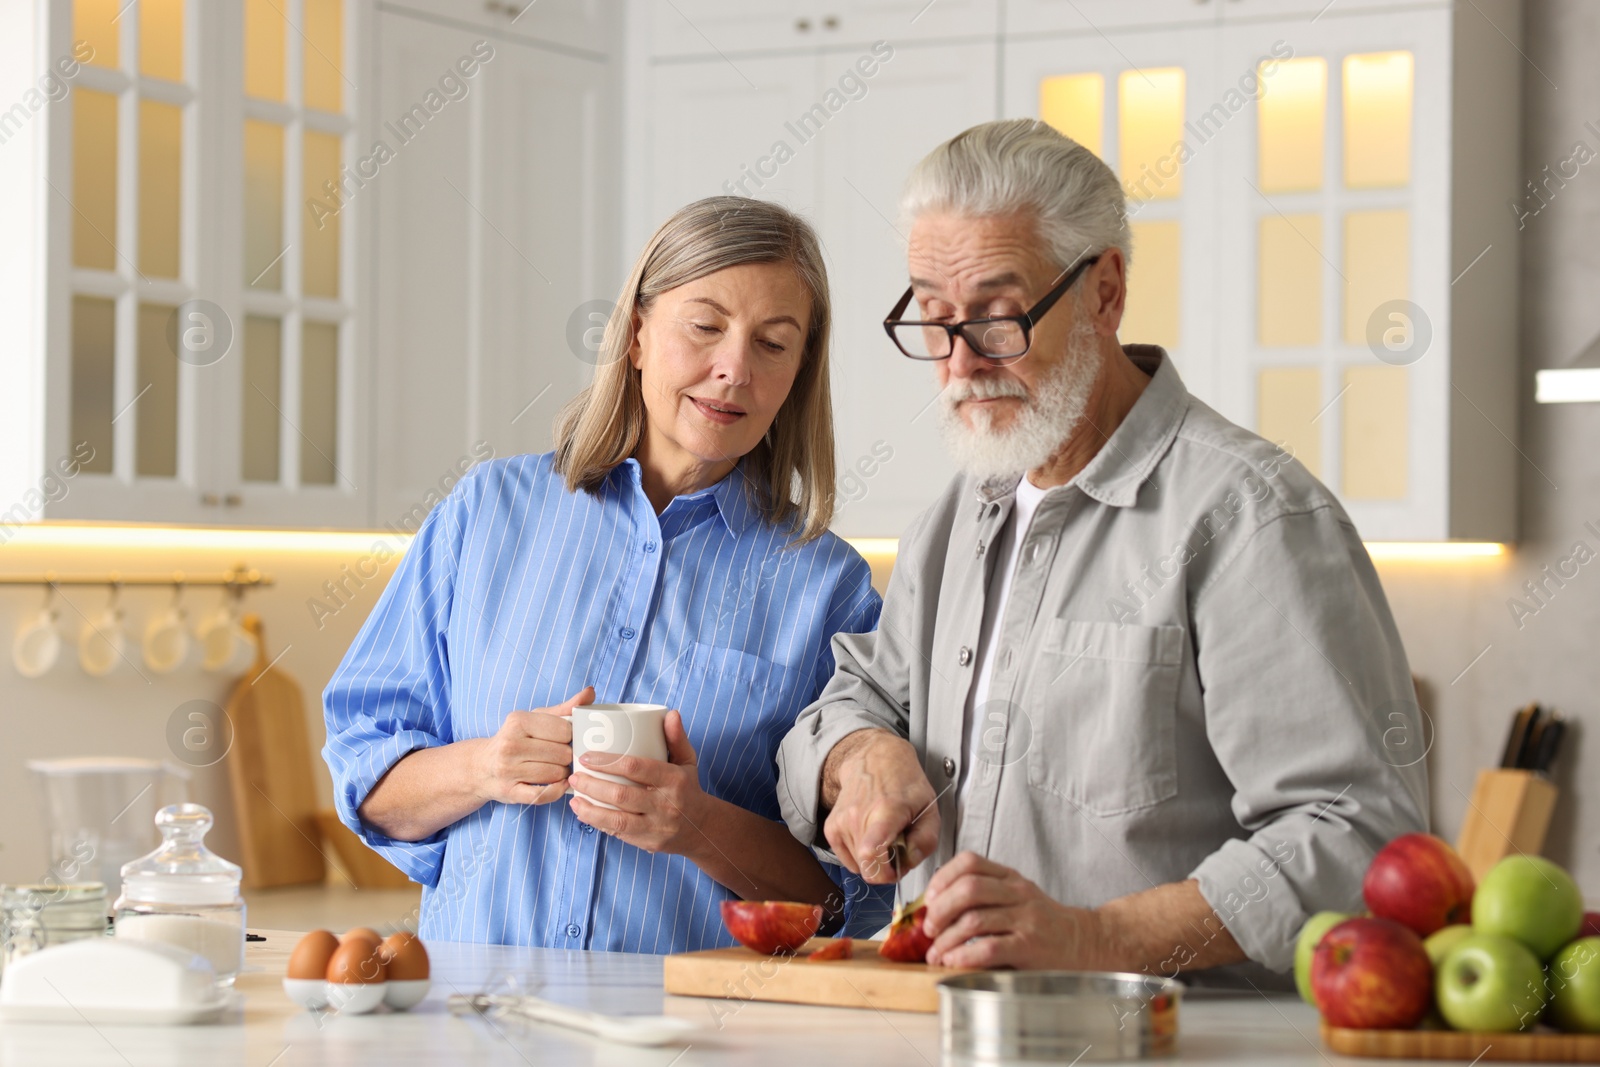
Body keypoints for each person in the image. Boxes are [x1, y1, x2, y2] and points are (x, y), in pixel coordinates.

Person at [776, 120, 1428, 986]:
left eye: (999, 319)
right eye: (933, 320)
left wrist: (1095, 938)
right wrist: (861, 758)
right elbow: (858, 695)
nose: (961, 365)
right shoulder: (962, 509)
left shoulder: (1250, 517)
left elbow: (1358, 834)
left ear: (1105, 292)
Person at [325, 196, 892, 950]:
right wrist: (483, 768)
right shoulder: (486, 512)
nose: (733, 369)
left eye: (773, 343)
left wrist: (699, 827)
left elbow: (846, 896)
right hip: (477, 1027)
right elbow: (368, 784)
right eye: (706, 325)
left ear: (798, 372)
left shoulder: (828, 588)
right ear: (635, 335)